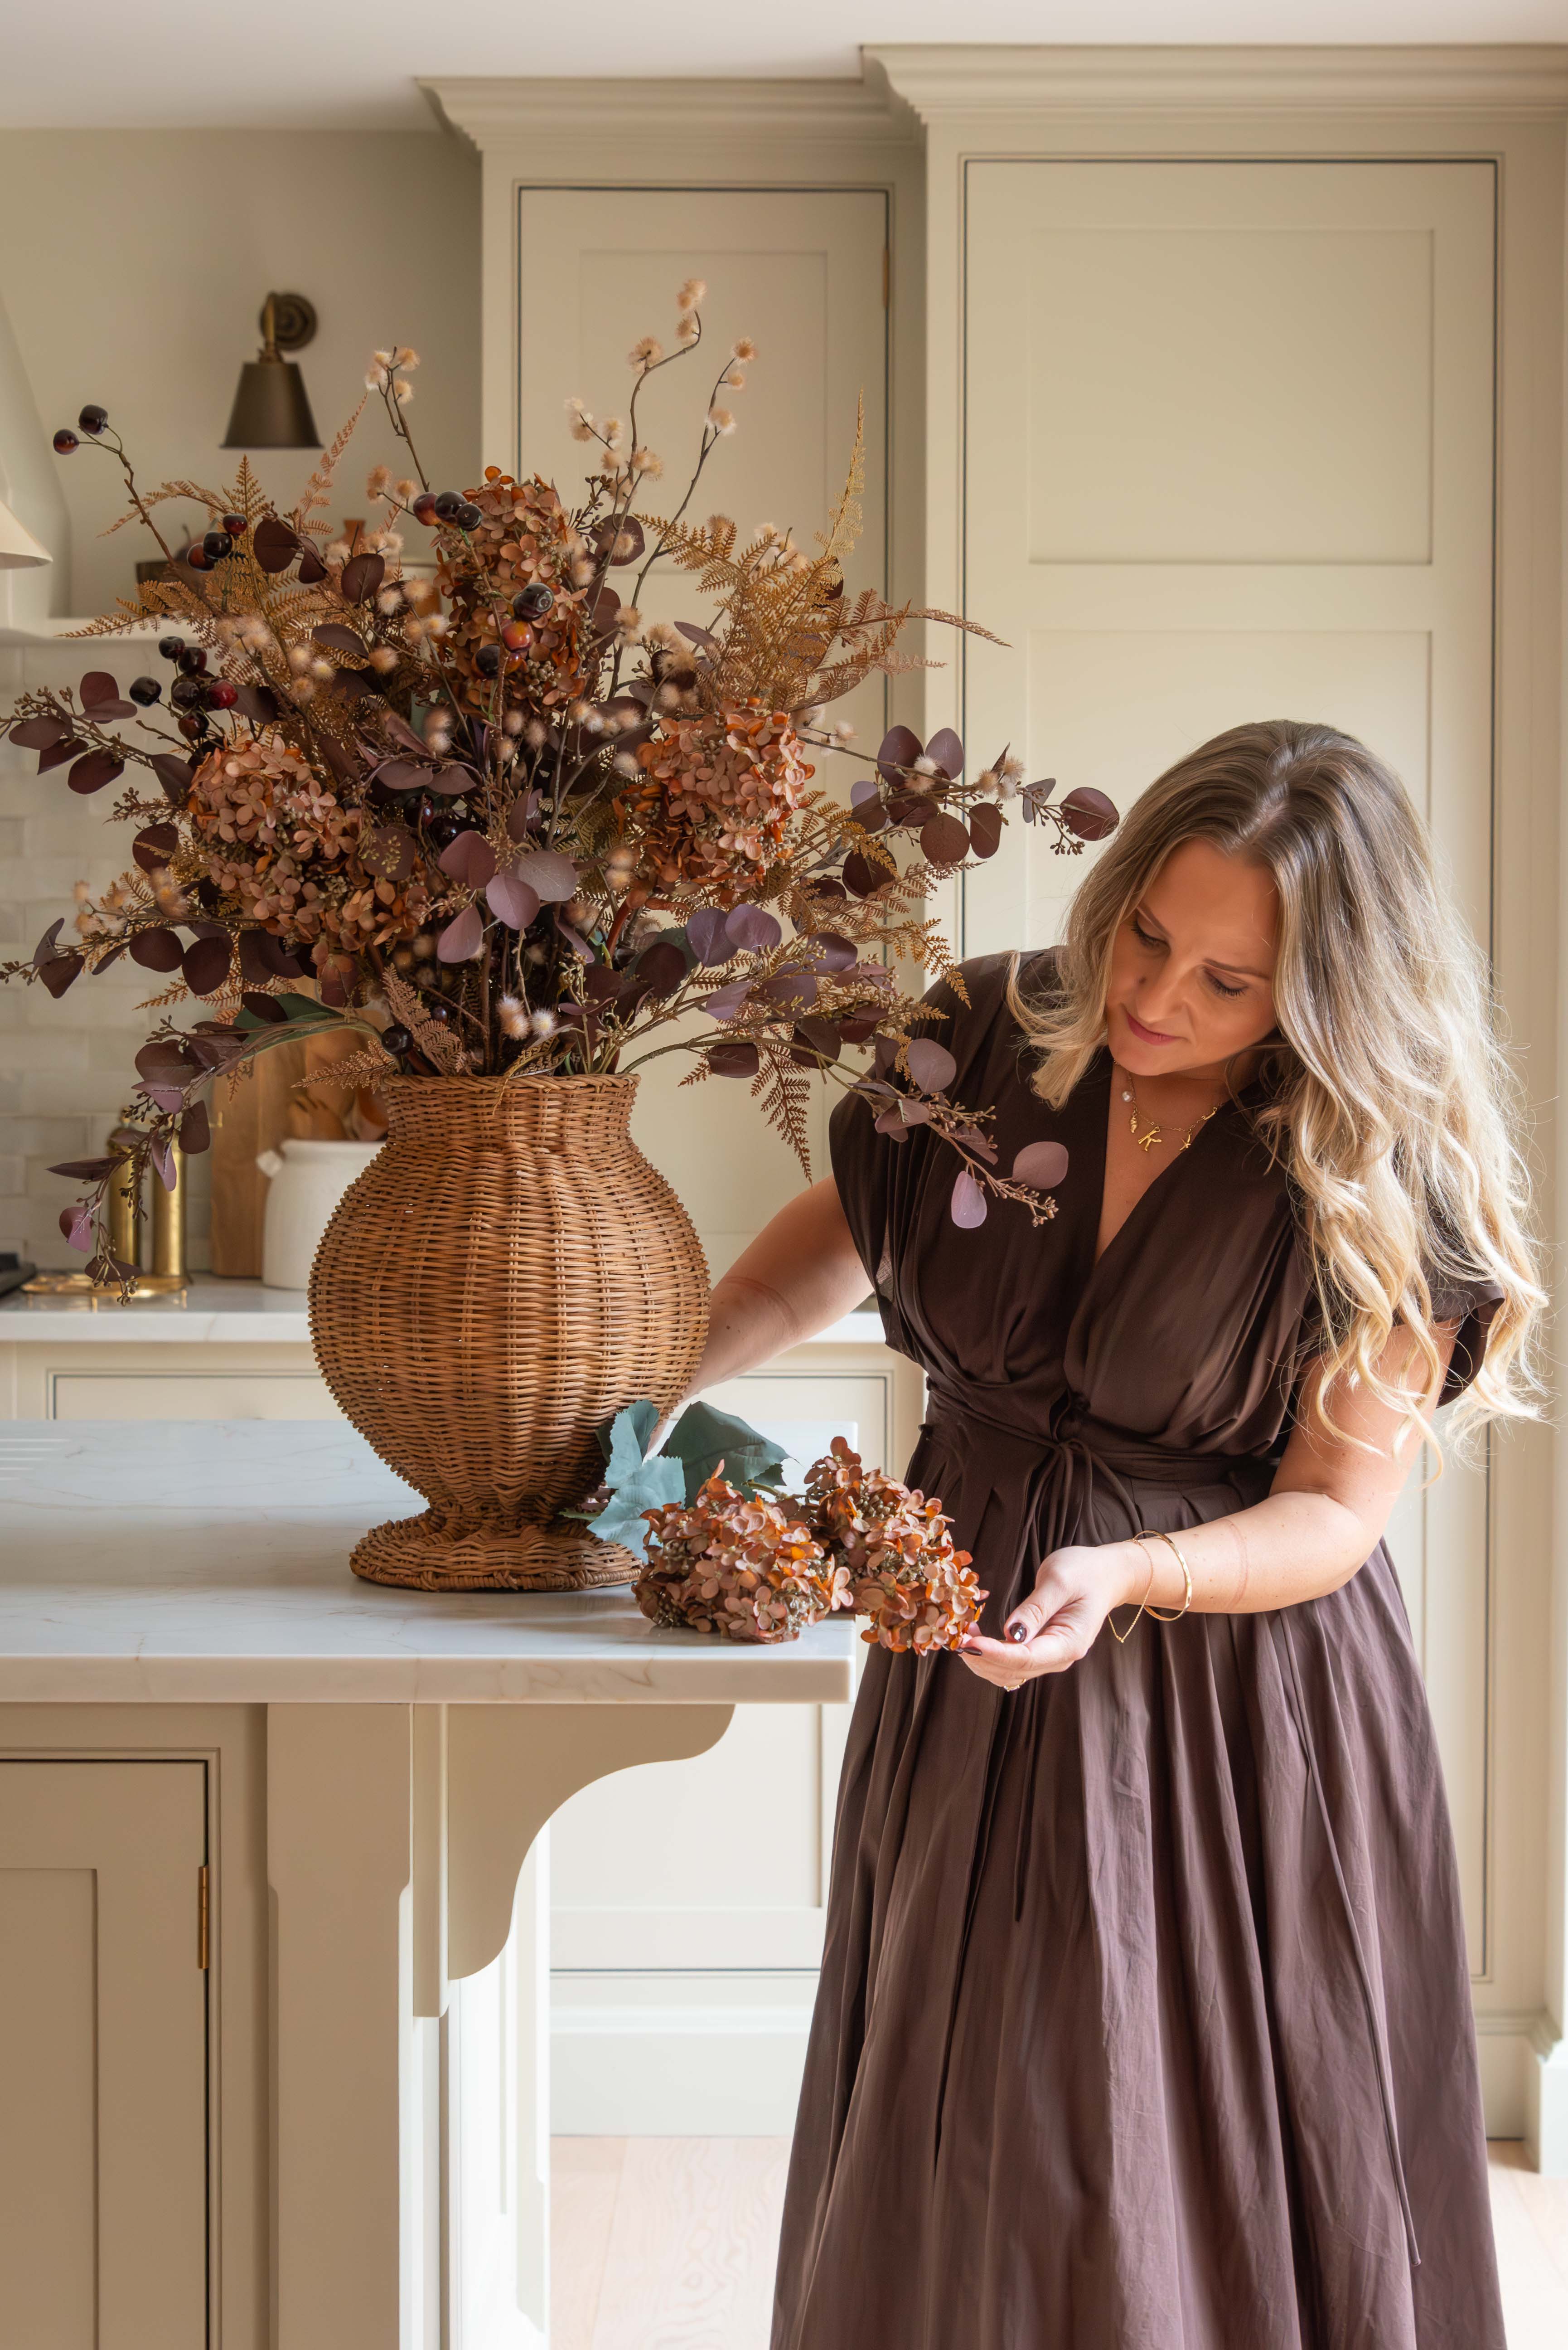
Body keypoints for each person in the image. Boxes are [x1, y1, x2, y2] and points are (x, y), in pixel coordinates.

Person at [686, 721, 1544, 2349]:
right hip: (970, 1662)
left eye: (1230, 983)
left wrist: (1133, 1571)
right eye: (1151, 934)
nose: (1158, 998)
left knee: (1148, 2147)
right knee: (966, 2126)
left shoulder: (1375, 1170)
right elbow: (816, 1262)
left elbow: (1332, 1514)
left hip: (1222, 1704)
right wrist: (640, 1384)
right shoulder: (982, 1033)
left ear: (1330, 998)